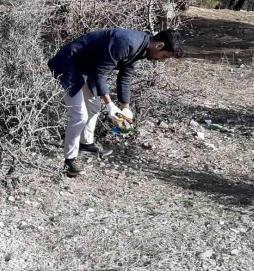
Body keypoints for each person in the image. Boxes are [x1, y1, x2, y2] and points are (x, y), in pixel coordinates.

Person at [47, 29, 183, 176]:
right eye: (164, 56)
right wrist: (110, 105)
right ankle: (70, 160)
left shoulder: (140, 49)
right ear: (159, 46)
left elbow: (125, 78)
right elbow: (100, 74)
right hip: (69, 65)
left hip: (86, 68)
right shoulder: (127, 42)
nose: (161, 60)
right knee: (79, 117)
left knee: (94, 107)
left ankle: (86, 144)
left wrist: (126, 108)